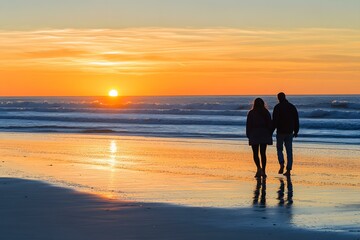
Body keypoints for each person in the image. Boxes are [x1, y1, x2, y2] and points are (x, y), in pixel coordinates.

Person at [272, 92, 299, 176]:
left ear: (278, 98)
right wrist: (296, 130)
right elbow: (296, 119)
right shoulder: (292, 107)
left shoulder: (277, 107)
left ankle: (281, 164)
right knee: (289, 151)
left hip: (280, 131)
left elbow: (274, 120)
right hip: (289, 131)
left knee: (279, 149)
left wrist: (271, 130)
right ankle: (288, 170)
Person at [246, 98, 273, 178]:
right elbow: (269, 124)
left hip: (254, 133)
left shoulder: (251, 113)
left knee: (255, 153)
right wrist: (270, 133)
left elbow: (248, 124)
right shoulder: (266, 112)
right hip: (264, 133)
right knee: (263, 153)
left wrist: (248, 134)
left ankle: (258, 168)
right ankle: (263, 171)